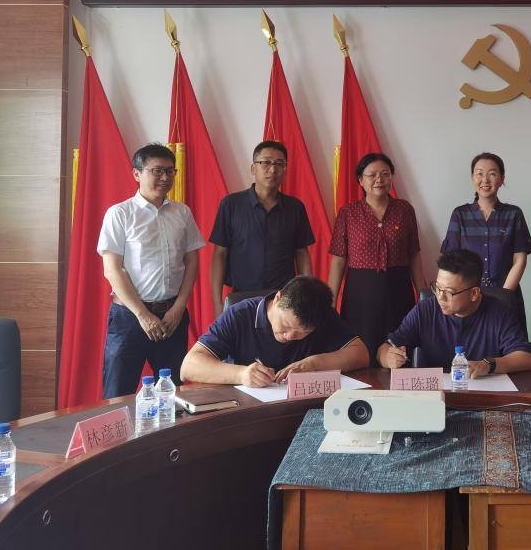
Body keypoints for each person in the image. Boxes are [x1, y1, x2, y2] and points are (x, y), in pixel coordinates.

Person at [97, 143, 205, 399]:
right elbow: (112, 269)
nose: (165, 177)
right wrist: (143, 315)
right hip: (129, 317)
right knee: (117, 394)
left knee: (172, 394)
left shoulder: (182, 213)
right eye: (157, 171)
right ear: (137, 173)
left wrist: (179, 307)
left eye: (170, 171)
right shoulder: (120, 213)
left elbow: (192, 261)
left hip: (172, 317)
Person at [328, 153, 426, 365]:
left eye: (385, 174)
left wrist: (423, 293)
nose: (379, 180)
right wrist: (331, 299)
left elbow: (413, 254)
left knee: (399, 348)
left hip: (398, 289)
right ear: (361, 180)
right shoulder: (348, 213)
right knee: (360, 351)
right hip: (360, 293)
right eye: (372, 175)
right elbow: (338, 259)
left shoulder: (405, 210)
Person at [180, 276, 369, 386]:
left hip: (301, 409)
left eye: (302, 333)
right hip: (247, 411)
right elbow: (188, 366)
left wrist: (314, 363)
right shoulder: (240, 315)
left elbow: (361, 354)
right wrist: (241, 374)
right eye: (286, 325)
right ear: (278, 298)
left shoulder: (322, 315)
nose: (291, 336)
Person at [378, 248, 531, 377]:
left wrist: (489, 364)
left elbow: (527, 358)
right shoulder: (425, 310)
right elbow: (384, 349)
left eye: (448, 292)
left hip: (483, 394)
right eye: (437, 288)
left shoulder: (499, 313)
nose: (440, 297)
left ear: (474, 293)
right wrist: (387, 358)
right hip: (436, 395)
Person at [209, 140, 315, 316]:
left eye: (279, 164)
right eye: (266, 162)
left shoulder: (295, 207)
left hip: (283, 300)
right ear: (253, 169)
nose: (273, 169)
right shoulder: (231, 205)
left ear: (285, 169)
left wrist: (307, 294)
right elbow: (219, 254)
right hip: (240, 300)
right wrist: (217, 302)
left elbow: (302, 253)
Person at [441, 152, 531, 337]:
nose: (485, 179)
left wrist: (503, 296)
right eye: (479, 173)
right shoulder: (460, 215)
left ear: (502, 179)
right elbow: (450, 261)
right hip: (467, 299)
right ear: (472, 178)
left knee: (510, 346)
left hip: (507, 294)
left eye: (492, 173)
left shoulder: (513, 214)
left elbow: (520, 260)